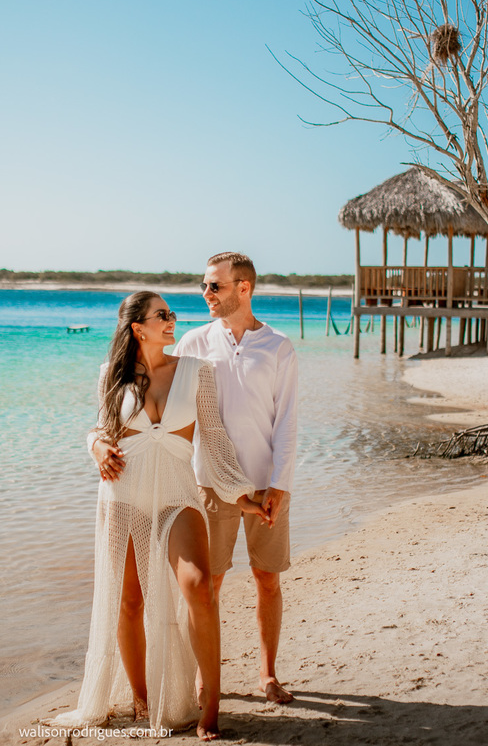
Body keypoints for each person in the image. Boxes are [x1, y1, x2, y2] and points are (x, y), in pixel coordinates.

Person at [50, 291, 270, 741]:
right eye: (162, 315)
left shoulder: (195, 373)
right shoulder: (111, 376)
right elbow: (100, 426)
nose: (172, 321)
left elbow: (215, 439)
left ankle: (209, 707)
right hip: (123, 498)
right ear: (139, 328)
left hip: (177, 498)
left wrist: (241, 494)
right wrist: (95, 446)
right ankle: (142, 699)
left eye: (171, 314)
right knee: (129, 602)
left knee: (199, 589)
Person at [96, 253, 299, 704]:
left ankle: (267, 675)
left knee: (268, 579)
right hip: (206, 482)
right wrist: (99, 443)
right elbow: (147, 389)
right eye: (205, 286)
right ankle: (205, 681)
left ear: (243, 289)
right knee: (208, 586)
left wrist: (281, 483)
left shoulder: (279, 347)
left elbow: (287, 421)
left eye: (215, 286)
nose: (205, 294)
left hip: (267, 480)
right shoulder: (192, 343)